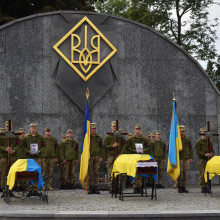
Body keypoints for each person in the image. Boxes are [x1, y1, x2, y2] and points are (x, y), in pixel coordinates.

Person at [21, 123, 45, 196]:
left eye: (34, 127)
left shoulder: (40, 136)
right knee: (29, 173)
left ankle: (36, 189)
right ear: (29, 129)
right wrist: (27, 151)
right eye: (32, 128)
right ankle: (30, 189)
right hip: (29, 158)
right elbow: (22, 146)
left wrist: (40, 151)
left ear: (36, 128)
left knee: (37, 173)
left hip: (37, 158)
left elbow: (44, 146)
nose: (33, 129)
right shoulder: (26, 137)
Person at [104, 121, 126, 194]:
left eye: (115, 126)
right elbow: (105, 146)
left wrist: (121, 153)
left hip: (118, 156)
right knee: (110, 172)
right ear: (111, 127)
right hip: (111, 156)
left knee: (119, 172)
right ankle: (111, 187)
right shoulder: (108, 136)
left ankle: (118, 187)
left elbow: (124, 144)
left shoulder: (120, 136)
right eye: (113, 126)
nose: (114, 127)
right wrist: (112, 146)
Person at [127, 124, 149, 193]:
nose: (138, 130)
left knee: (140, 171)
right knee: (134, 171)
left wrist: (145, 150)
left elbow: (147, 146)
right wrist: (133, 150)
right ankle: (135, 186)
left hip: (141, 156)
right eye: (137, 129)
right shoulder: (131, 139)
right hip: (134, 156)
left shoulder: (143, 139)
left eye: (139, 129)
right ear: (134, 130)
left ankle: (140, 186)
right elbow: (127, 147)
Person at [0, 121, 18, 198]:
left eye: (9, 127)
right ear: (5, 127)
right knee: (3, 174)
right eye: (7, 127)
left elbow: (18, 144)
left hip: (13, 157)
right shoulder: (1, 135)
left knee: (12, 174)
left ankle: (11, 190)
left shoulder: (15, 135)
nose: (8, 128)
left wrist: (13, 150)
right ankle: (4, 191)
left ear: (12, 127)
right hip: (4, 157)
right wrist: (5, 149)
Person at [196, 127, 215, 193]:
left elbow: (212, 150)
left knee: (208, 173)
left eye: (205, 132)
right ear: (201, 133)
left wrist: (211, 154)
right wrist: (204, 154)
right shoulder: (198, 142)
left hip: (208, 160)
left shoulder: (209, 141)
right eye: (203, 132)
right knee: (202, 173)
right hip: (202, 160)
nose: (204, 134)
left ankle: (208, 186)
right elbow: (198, 151)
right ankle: (203, 187)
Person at [87, 123, 104, 194]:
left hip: (97, 157)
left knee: (96, 172)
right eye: (92, 128)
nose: (93, 130)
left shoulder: (98, 137)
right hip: (90, 157)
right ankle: (90, 187)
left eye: (94, 128)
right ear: (90, 129)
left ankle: (95, 186)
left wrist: (101, 156)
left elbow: (101, 147)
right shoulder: (87, 137)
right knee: (90, 172)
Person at [178, 125, 193, 193]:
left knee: (185, 174)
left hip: (186, 158)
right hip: (180, 158)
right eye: (181, 131)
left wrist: (190, 157)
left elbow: (190, 149)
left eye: (183, 131)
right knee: (180, 174)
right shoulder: (177, 140)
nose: (182, 132)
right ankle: (180, 187)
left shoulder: (187, 139)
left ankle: (184, 187)